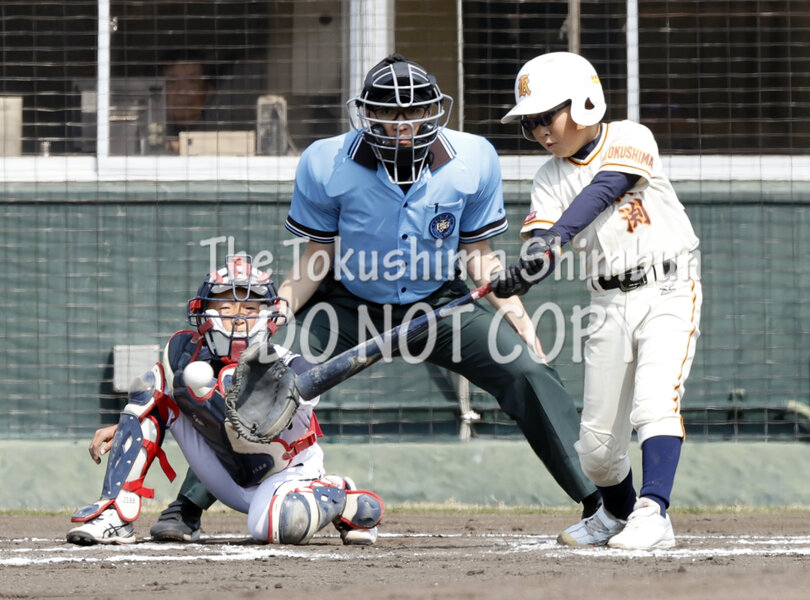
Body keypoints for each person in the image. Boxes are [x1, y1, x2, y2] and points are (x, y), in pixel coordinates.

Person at [150, 53, 606, 542]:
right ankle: (188, 505)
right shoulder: (325, 161)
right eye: (388, 111)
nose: (402, 123)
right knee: (264, 383)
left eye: (413, 111)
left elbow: (477, 252)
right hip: (348, 304)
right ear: (366, 113)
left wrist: (517, 315)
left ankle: (602, 503)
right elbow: (317, 257)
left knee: (528, 372)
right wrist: (279, 310)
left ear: (434, 110)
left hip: (440, 305)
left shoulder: (475, 158)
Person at [491, 52, 702, 550]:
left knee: (654, 403)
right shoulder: (547, 177)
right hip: (607, 302)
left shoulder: (630, 136)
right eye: (530, 123)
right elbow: (543, 240)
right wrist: (528, 267)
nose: (541, 131)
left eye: (548, 115)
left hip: (668, 288)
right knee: (597, 448)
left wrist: (554, 239)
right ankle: (619, 513)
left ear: (584, 102)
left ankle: (653, 511)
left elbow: (606, 188)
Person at [66, 255, 383, 546]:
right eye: (226, 308)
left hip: (284, 476)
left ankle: (342, 495)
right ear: (205, 312)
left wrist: (294, 385)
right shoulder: (187, 358)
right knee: (154, 383)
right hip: (226, 475)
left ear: (268, 315)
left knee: (284, 524)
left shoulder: (286, 364)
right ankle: (115, 513)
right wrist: (129, 427)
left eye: (249, 309)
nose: (238, 319)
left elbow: (306, 380)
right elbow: (156, 403)